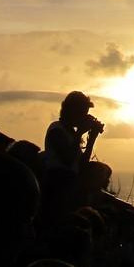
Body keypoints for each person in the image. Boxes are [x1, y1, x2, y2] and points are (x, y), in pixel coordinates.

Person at [42, 92, 103, 224]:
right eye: (82, 113)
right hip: (57, 185)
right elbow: (68, 159)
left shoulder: (71, 133)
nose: (84, 117)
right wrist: (80, 132)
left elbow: (81, 164)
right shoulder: (56, 129)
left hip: (69, 186)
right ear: (71, 111)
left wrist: (91, 139)